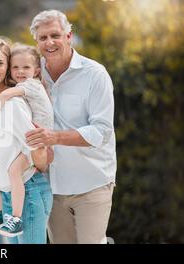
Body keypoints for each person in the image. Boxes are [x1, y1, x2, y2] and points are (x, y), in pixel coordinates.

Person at [25, 10, 117, 244]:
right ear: (36, 42)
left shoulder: (95, 74)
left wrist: (54, 137)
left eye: (55, 35)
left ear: (69, 36)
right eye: (43, 38)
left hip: (92, 182)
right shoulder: (32, 76)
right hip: (51, 186)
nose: (50, 42)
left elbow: (101, 131)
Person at [0, 36, 53, 243]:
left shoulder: (13, 103)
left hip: (28, 190)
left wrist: (37, 158)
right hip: (7, 196)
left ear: (7, 68)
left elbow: (36, 148)